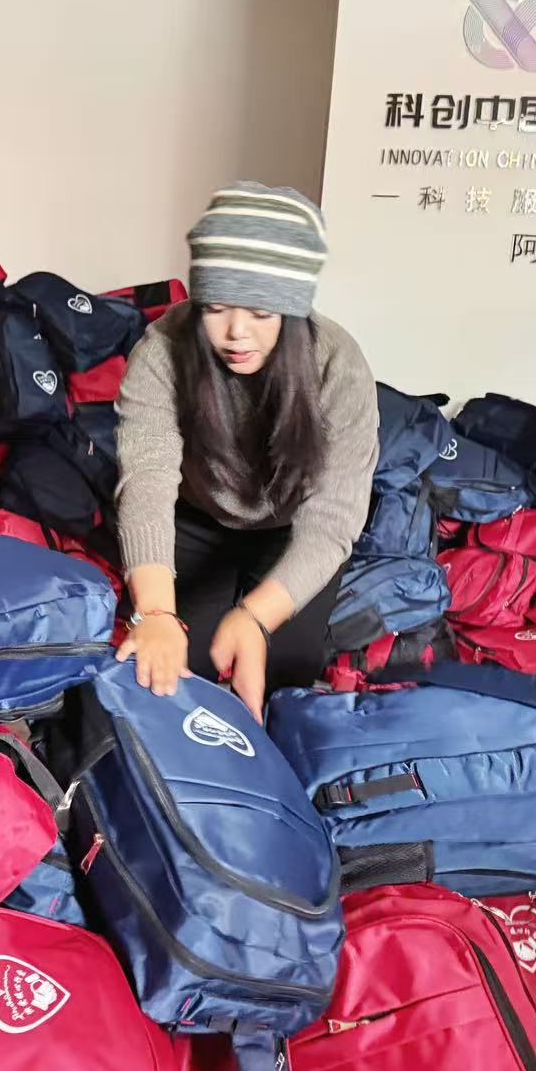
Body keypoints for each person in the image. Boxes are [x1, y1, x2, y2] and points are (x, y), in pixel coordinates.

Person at [113, 181, 379, 722]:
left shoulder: (338, 364)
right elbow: (146, 479)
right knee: (170, 676)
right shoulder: (162, 349)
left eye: (261, 312)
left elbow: (332, 518)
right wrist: (155, 613)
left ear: (293, 309)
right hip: (196, 518)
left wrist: (256, 617)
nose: (236, 333)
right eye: (215, 307)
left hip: (292, 527)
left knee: (284, 678)